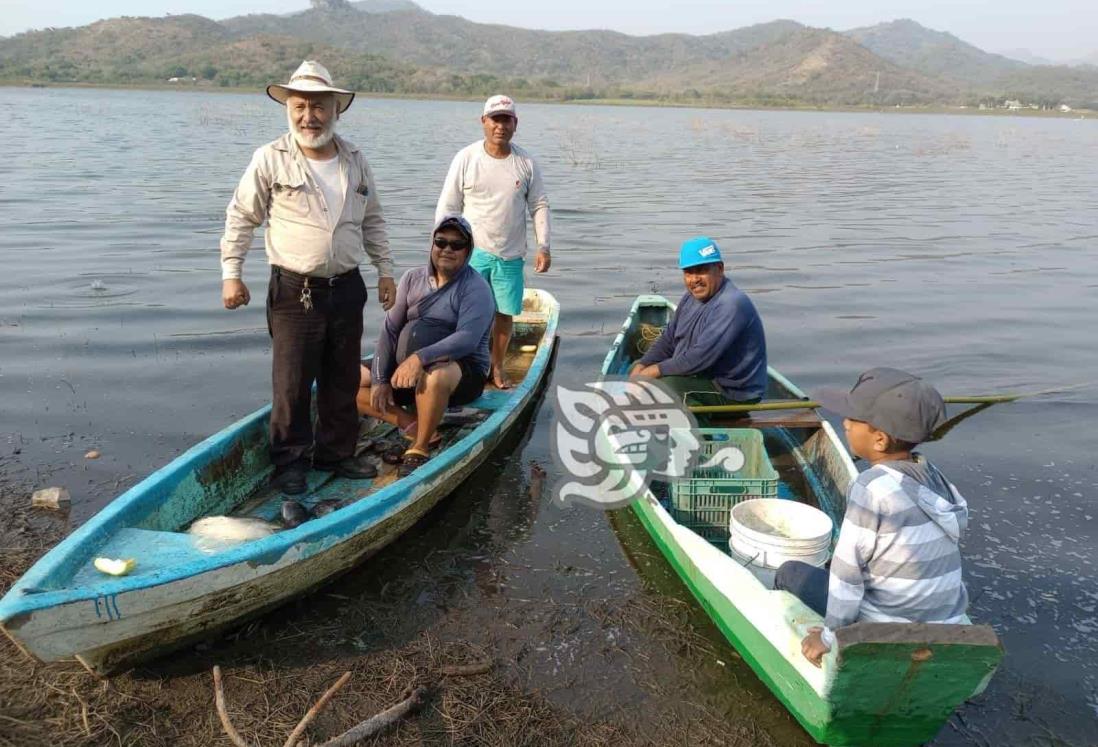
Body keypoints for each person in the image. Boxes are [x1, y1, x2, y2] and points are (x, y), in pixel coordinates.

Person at [220, 60, 396, 496]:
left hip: (348, 286)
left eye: (318, 106)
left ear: (336, 109)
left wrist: (385, 270)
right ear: (288, 109)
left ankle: (336, 454)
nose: (308, 116)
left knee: (340, 379)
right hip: (294, 291)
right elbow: (242, 217)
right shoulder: (270, 158)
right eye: (299, 106)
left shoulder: (355, 160)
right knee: (292, 383)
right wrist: (232, 274)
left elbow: (372, 219)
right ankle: (290, 463)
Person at [773, 368, 969, 668]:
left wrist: (829, 637)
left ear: (879, 440)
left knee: (789, 572)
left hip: (882, 628)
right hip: (945, 621)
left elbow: (846, 578)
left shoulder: (870, 489)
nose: (846, 425)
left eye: (854, 420)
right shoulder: (934, 478)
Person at [357, 215, 494, 476]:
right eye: (441, 242)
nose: (447, 250)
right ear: (432, 245)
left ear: (467, 251)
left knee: (435, 376)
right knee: (341, 379)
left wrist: (419, 358)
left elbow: (468, 338)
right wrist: (380, 377)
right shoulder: (412, 278)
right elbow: (389, 331)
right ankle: (410, 423)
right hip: (405, 371)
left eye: (457, 245)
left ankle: (420, 446)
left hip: (460, 373)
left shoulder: (476, 288)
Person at [435, 94, 551, 390]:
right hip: (471, 255)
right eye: (495, 119)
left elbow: (538, 205)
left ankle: (496, 367)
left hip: (510, 256)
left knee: (504, 315)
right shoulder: (466, 158)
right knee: (461, 313)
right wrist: (442, 250)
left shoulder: (525, 163)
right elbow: (448, 206)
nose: (500, 126)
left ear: (515, 124)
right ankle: (455, 365)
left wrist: (544, 245)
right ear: (483, 122)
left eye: (506, 120)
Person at [629, 236, 767, 403]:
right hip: (702, 374)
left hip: (731, 392)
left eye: (701, 270)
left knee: (668, 385)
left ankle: (701, 427)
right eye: (688, 272)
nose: (694, 280)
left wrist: (651, 372)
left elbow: (698, 358)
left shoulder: (731, 303)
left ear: (720, 269)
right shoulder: (690, 298)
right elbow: (668, 340)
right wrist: (642, 366)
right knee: (635, 366)